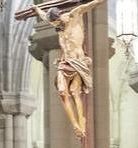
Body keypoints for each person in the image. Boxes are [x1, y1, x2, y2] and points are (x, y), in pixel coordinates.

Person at [31, 0, 106, 137]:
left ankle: (81, 121)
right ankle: (75, 124)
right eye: (53, 23)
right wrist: (37, 9)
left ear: (59, 17)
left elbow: (88, 5)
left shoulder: (74, 15)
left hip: (77, 62)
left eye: (55, 22)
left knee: (74, 92)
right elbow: (44, 16)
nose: (55, 25)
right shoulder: (56, 23)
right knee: (62, 92)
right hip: (64, 62)